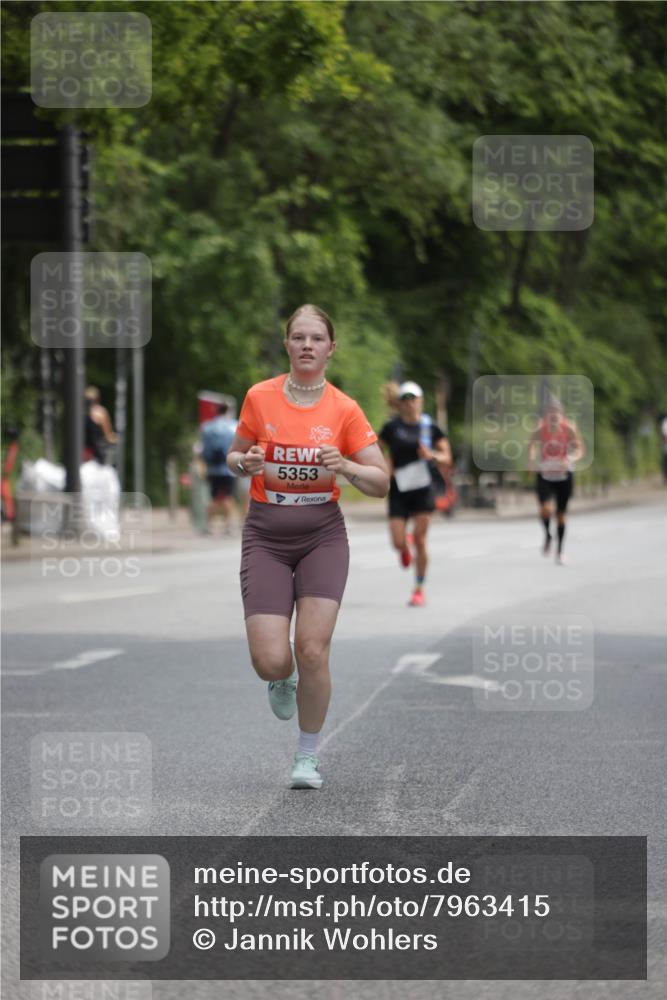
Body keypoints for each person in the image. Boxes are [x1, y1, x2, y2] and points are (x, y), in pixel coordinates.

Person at [226, 304, 389, 790]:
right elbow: (233, 455)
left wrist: (346, 467)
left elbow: (381, 483)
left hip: (322, 536)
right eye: (298, 337)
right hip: (266, 536)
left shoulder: (344, 409)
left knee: (312, 649)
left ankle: (307, 756)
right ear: (287, 344)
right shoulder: (260, 397)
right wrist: (246, 463)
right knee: (271, 659)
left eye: (316, 338)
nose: (307, 346)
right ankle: (282, 678)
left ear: (331, 348)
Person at [378, 381, 452, 607]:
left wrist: (432, 456)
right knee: (397, 541)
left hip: (423, 487)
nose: (410, 404)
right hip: (400, 487)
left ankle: (419, 588)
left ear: (420, 401)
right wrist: (384, 465)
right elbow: (374, 449)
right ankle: (404, 547)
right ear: (400, 403)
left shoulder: (430, 427)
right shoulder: (392, 428)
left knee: (421, 539)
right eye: (405, 399)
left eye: (413, 399)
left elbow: (447, 457)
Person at [528, 398, 585, 564]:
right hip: (545, 473)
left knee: (561, 514)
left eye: (557, 413)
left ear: (562, 414)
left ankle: (560, 551)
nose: (554, 416)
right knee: (545, 509)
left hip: (563, 474)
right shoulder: (540, 428)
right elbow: (531, 445)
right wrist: (531, 460)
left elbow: (579, 448)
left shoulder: (569, 428)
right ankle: (548, 535)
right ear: (547, 414)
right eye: (551, 412)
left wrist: (570, 458)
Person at [201, 402, 238, 534]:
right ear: (228, 411)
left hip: (212, 468)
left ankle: (208, 526)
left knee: (213, 497)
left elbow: (204, 450)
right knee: (228, 497)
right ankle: (228, 527)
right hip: (229, 467)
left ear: (216, 411)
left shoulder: (207, 427)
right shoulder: (234, 426)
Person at [83, 386, 117, 464]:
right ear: (98, 399)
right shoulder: (101, 412)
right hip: (96, 454)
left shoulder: (79, 413)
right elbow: (108, 435)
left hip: (81, 453)